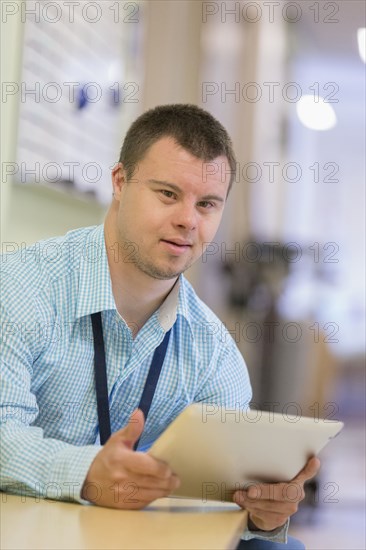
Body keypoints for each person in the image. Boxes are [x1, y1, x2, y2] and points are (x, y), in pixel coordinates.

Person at [1, 104, 318, 548]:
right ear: (119, 183)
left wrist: (263, 512)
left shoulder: (212, 350)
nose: (188, 220)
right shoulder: (20, 287)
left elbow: (230, 493)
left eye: (207, 204)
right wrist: (87, 474)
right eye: (168, 194)